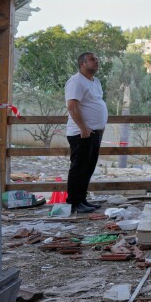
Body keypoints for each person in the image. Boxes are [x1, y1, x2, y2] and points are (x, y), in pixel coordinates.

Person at [65, 52, 108, 213]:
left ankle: (82, 199)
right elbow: (72, 106)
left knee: (88, 168)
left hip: (94, 133)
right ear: (82, 64)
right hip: (81, 133)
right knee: (79, 168)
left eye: (97, 59)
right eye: (92, 60)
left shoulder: (95, 81)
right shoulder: (76, 81)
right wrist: (83, 128)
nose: (96, 61)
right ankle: (73, 202)